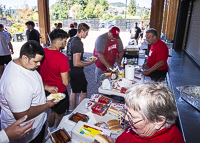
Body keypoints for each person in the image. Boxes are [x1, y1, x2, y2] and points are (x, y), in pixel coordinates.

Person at [0, 40, 58, 143]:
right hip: (26, 132)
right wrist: (48, 105)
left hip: (37, 122)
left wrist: (45, 86)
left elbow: (30, 82)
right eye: (36, 61)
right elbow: (22, 115)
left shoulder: (20, 63)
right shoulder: (16, 84)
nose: (39, 64)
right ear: (25, 58)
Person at [103, 82, 185, 143]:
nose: (126, 118)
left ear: (158, 121)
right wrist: (114, 141)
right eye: (126, 111)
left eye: (133, 117)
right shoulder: (144, 129)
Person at [38, 29, 70, 128]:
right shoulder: (62, 58)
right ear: (59, 41)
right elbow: (65, 82)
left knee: (52, 110)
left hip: (46, 89)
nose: (65, 44)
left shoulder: (42, 52)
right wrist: (69, 74)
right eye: (65, 41)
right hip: (59, 91)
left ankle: (50, 130)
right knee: (60, 115)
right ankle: (56, 132)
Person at [67, 23, 95, 110]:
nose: (87, 34)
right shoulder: (78, 43)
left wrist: (83, 58)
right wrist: (89, 63)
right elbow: (77, 63)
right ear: (82, 31)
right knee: (83, 92)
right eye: (86, 32)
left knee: (74, 91)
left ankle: (73, 110)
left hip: (70, 70)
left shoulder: (71, 40)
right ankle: (79, 111)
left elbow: (73, 56)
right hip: (77, 71)